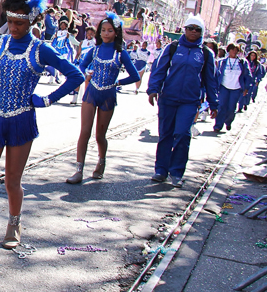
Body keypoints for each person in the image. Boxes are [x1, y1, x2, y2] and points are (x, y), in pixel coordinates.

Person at [0, 0, 83, 264]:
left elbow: (76, 75)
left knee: (12, 180)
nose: (14, 28)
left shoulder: (41, 49)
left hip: (22, 121)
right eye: (11, 22)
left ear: (31, 22)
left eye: (20, 23)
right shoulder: (1, 42)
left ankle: (14, 225)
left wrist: (48, 99)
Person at [66, 13, 140, 184]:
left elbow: (135, 76)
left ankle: (101, 161)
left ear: (116, 32)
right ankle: (78, 170)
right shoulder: (95, 49)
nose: (106, 34)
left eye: (110, 31)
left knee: (100, 135)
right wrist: (86, 72)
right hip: (91, 93)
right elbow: (82, 64)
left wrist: (118, 83)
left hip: (108, 96)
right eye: (103, 31)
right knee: (84, 131)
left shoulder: (121, 53)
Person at [146, 15, 218, 188]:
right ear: (184, 29)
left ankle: (177, 172)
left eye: (197, 29)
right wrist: (153, 89)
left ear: (202, 33)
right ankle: (161, 170)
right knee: (166, 135)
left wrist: (214, 103)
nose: (193, 32)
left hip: (190, 101)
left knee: (183, 134)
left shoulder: (206, 54)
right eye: (190, 28)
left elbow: (211, 80)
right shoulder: (172, 48)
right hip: (168, 98)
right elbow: (159, 69)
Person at [213, 44, 250, 133]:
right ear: (228, 51)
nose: (234, 52)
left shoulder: (242, 62)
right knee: (221, 106)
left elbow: (247, 75)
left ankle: (228, 122)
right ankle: (218, 125)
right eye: (232, 50)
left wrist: (246, 88)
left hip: (236, 88)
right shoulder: (222, 62)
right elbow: (216, 75)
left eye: (236, 50)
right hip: (224, 87)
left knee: (231, 108)